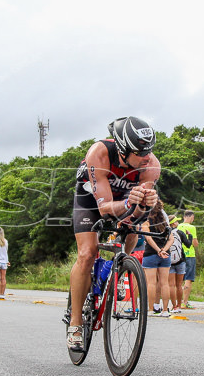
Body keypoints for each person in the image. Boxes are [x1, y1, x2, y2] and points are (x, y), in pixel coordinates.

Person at [67, 116, 160, 350]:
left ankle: (118, 267)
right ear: (122, 150)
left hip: (125, 199)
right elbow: (105, 208)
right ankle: (76, 323)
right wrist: (130, 201)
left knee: (132, 229)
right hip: (92, 197)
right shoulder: (99, 154)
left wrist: (144, 205)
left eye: (149, 150)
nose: (146, 157)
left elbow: (136, 214)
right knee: (87, 253)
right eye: (140, 152)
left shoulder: (151, 166)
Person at [140, 200, 173, 316]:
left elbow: (148, 238)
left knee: (151, 283)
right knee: (164, 283)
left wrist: (158, 250)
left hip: (150, 253)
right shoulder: (165, 222)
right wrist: (164, 250)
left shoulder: (146, 222)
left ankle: (150, 309)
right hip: (166, 254)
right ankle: (164, 310)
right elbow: (171, 239)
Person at [178, 210, 198, 309]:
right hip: (189, 254)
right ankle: (184, 302)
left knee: (179, 279)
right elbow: (195, 243)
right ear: (191, 217)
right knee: (188, 279)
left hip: (179, 255)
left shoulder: (178, 226)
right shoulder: (191, 227)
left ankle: (178, 301)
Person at [166, 214, 186, 313]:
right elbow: (188, 244)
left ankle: (173, 306)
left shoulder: (166, 232)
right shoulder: (180, 232)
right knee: (179, 285)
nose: (178, 223)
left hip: (169, 261)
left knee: (171, 285)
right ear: (173, 223)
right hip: (180, 260)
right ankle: (179, 305)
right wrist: (189, 235)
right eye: (177, 221)